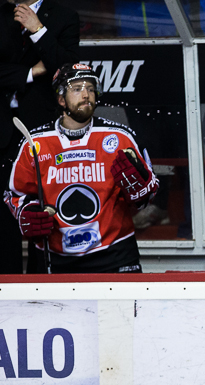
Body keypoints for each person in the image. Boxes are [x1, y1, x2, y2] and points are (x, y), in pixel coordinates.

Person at [5, 63, 158, 274]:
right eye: (77, 88)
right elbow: (15, 194)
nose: (86, 94)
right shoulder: (36, 142)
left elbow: (148, 192)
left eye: (90, 88)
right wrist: (26, 212)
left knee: (120, 309)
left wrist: (143, 190)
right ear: (60, 99)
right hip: (56, 258)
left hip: (115, 253)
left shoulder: (120, 137)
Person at [1, 0, 79, 274]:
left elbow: (67, 70)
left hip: (42, 133)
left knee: (44, 211)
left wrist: (38, 30)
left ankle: (42, 287)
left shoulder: (64, 16)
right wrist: (31, 72)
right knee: (3, 217)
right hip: (2, 131)